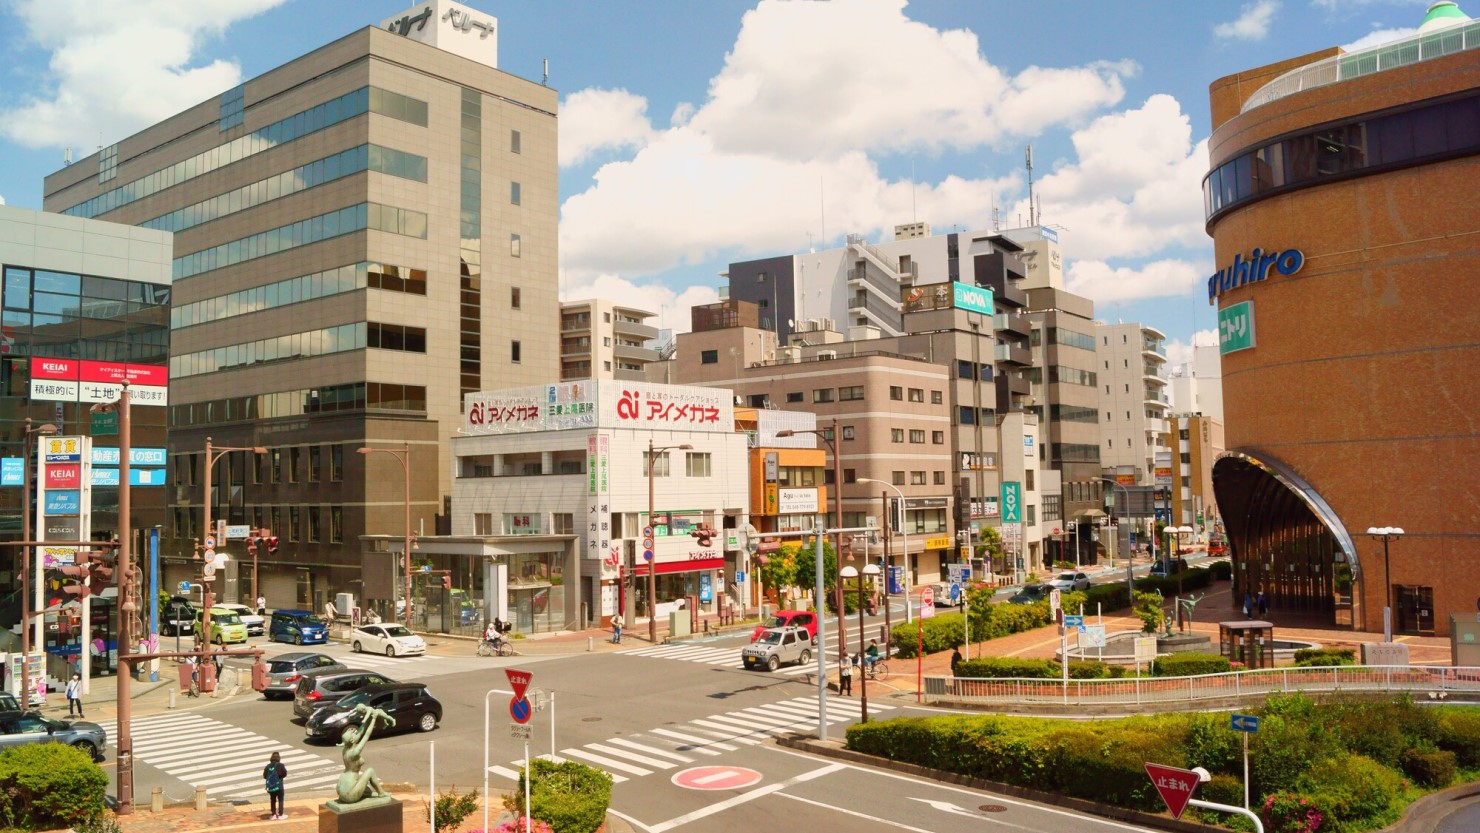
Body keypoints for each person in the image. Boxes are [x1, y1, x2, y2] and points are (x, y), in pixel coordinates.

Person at [263, 751, 288, 820]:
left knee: (273, 800)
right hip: (279, 785)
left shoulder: (268, 766)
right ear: (279, 758)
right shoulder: (281, 765)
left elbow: (265, 776)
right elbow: (285, 774)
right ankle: (281, 814)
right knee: (280, 799)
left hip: (271, 786)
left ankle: (273, 814)